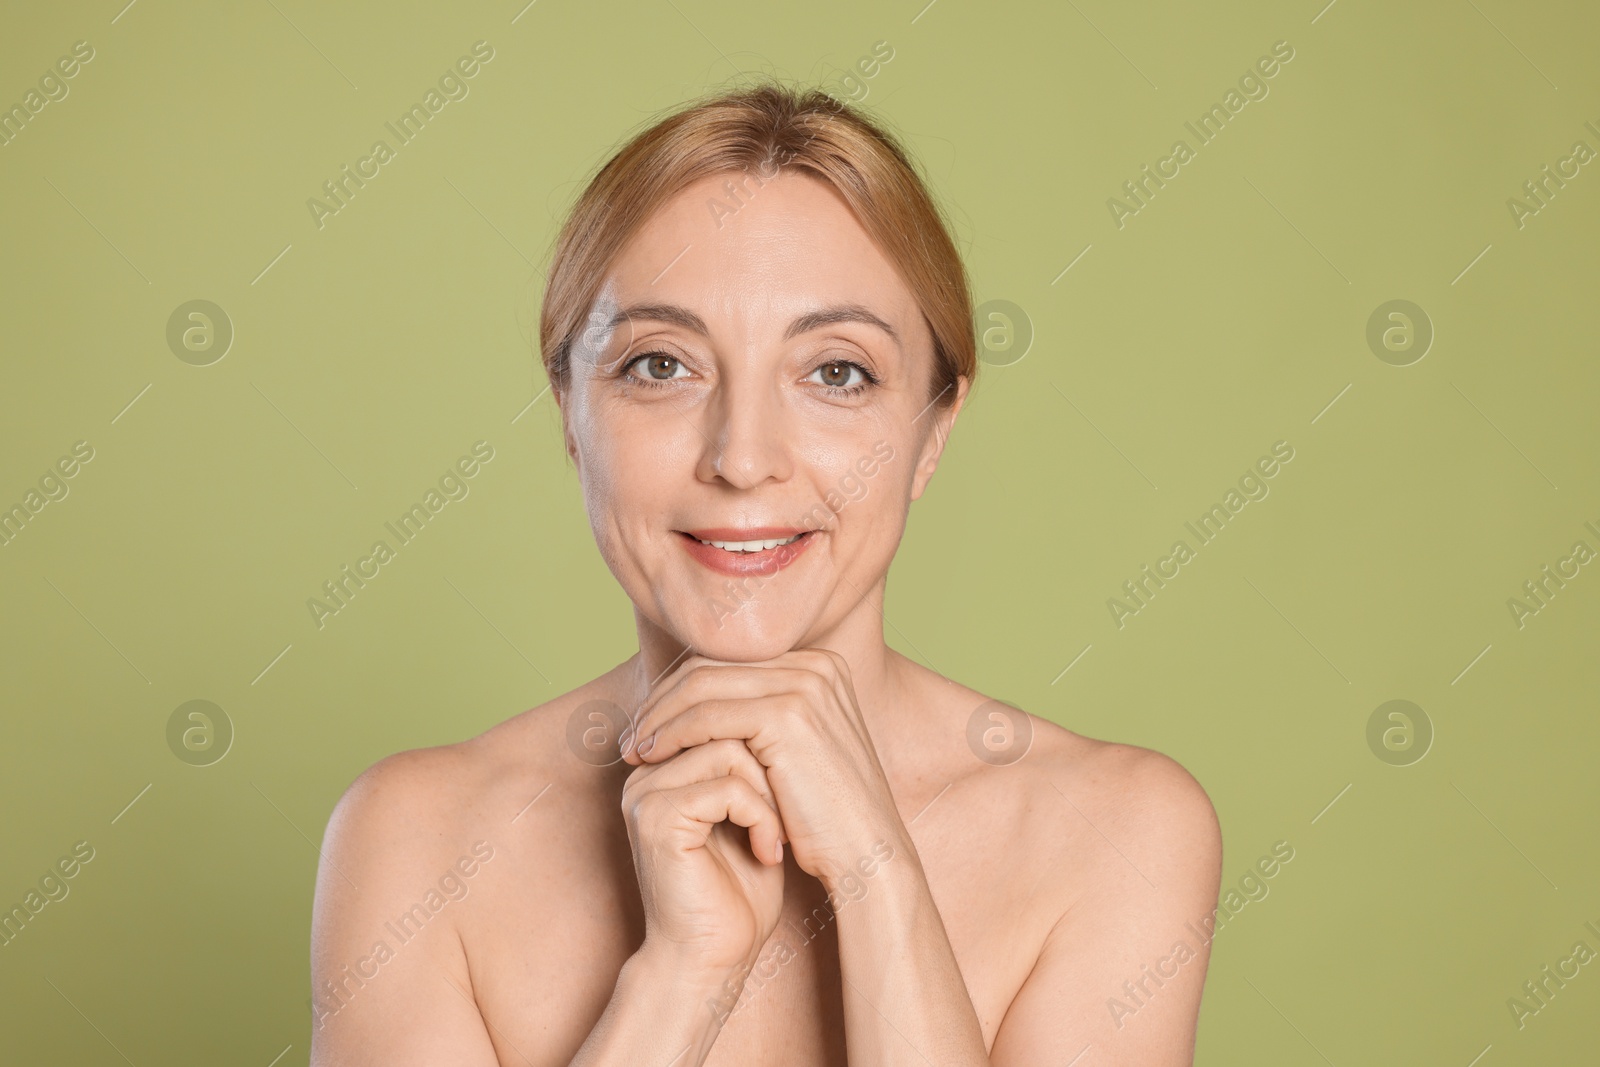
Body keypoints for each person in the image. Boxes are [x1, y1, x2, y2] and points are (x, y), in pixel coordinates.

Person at [309, 80, 1222, 1066]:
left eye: (837, 372)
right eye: (661, 365)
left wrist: (880, 877)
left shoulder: (1117, 832)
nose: (743, 457)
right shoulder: (414, 843)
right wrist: (680, 976)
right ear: (570, 413)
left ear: (931, 432)